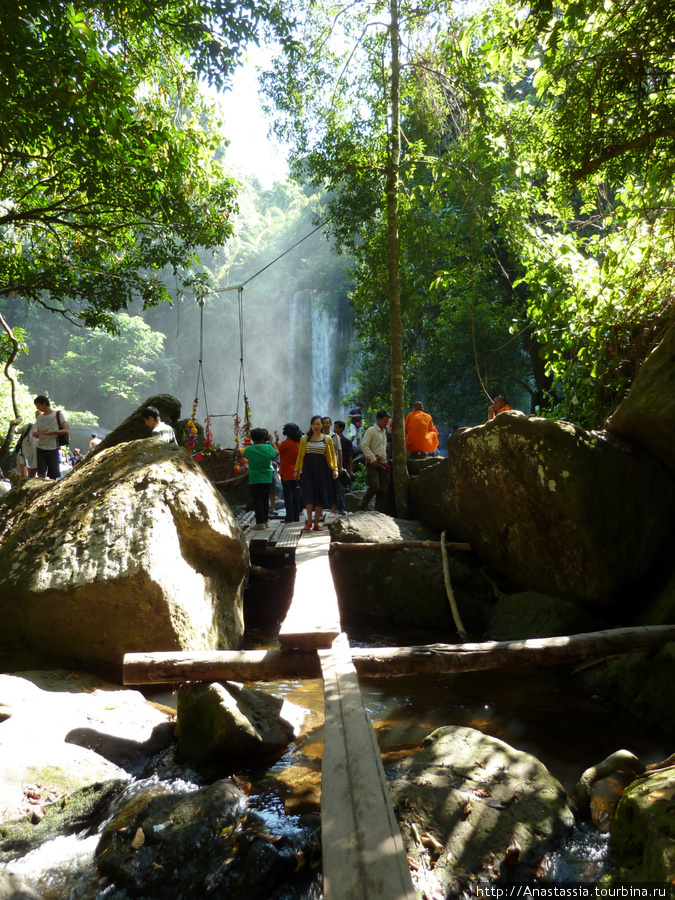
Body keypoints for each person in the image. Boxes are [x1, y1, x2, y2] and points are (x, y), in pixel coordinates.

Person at [294, 414, 338, 532]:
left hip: (322, 471)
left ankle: (317, 524)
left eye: (318, 424)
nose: (316, 426)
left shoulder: (327, 439)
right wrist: (296, 470)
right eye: (314, 424)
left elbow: (333, 455)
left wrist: (335, 469)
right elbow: (300, 456)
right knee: (308, 496)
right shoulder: (304, 439)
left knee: (320, 496)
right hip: (308, 471)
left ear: (322, 425)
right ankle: (309, 522)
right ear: (311, 425)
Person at [243, 427, 280, 530]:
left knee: (257, 500)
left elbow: (244, 455)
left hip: (255, 478)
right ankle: (265, 521)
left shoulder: (248, 449)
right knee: (264, 499)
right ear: (265, 438)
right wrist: (272, 442)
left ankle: (260, 523)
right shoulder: (267, 448)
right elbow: (277, 453)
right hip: (267, 477)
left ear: (252, 438)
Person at [359, 409, 391, 513]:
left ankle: (379, 511)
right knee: (375, 486)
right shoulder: (371, 430)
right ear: (378, 419)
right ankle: (362, 505)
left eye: (387, 422)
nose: (386, 424)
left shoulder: (384, 432)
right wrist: (372, 459)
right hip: (373, 464)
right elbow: (364, 445)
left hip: (382, 464)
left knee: (384, 490)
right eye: (384, 421)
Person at [33, 395, 69, 480]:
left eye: (38, 405)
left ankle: (50, 491)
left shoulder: (58, 414)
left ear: (44, 403)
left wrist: (53, 432)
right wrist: (36, 434)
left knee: (53, 475)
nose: (38, 408)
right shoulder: (40, 417)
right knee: (41, 474)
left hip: (53, 448)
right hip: (40, 448)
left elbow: (66, 430)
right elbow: (38, 430)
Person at [278, 423, 302, 523]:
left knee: (288, 496)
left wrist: (271, 441)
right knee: (296, 496)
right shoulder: (299, 443)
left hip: (286, 473)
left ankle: (289, 518)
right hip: (297, 473)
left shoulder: (285, 443)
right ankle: (296, 517)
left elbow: (276, 452)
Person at [321, 416, 343, 515]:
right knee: (321, 486)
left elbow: (339, 451)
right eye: (323, 423)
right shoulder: (318, 436)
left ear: (330, 424)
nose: (325, 425)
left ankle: (333, 508)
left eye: (327, 423)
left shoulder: (335, 437)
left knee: (333, 487)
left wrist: (340, 466)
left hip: (332, 466)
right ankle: (320, 509)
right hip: (320, 465)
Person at [333, 420, 352, 513]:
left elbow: (350, 456)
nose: (334, 428)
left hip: (343, 468)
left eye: (336, 427)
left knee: (341, 488)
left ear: (341, 429)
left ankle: (341, 508)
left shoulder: (347, 442)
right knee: (333, 488)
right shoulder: (331, 439)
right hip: (333, 468)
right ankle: (334, 508)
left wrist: (350, 470)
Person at [14, 416, 38, 480]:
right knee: (23, 476)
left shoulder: (46, 429)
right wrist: (14, 423)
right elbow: (16, 431)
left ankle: (21, 489)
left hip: (35, 457)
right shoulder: (29, 426)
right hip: (23, 454)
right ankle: (17, 490)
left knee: (31, 478)